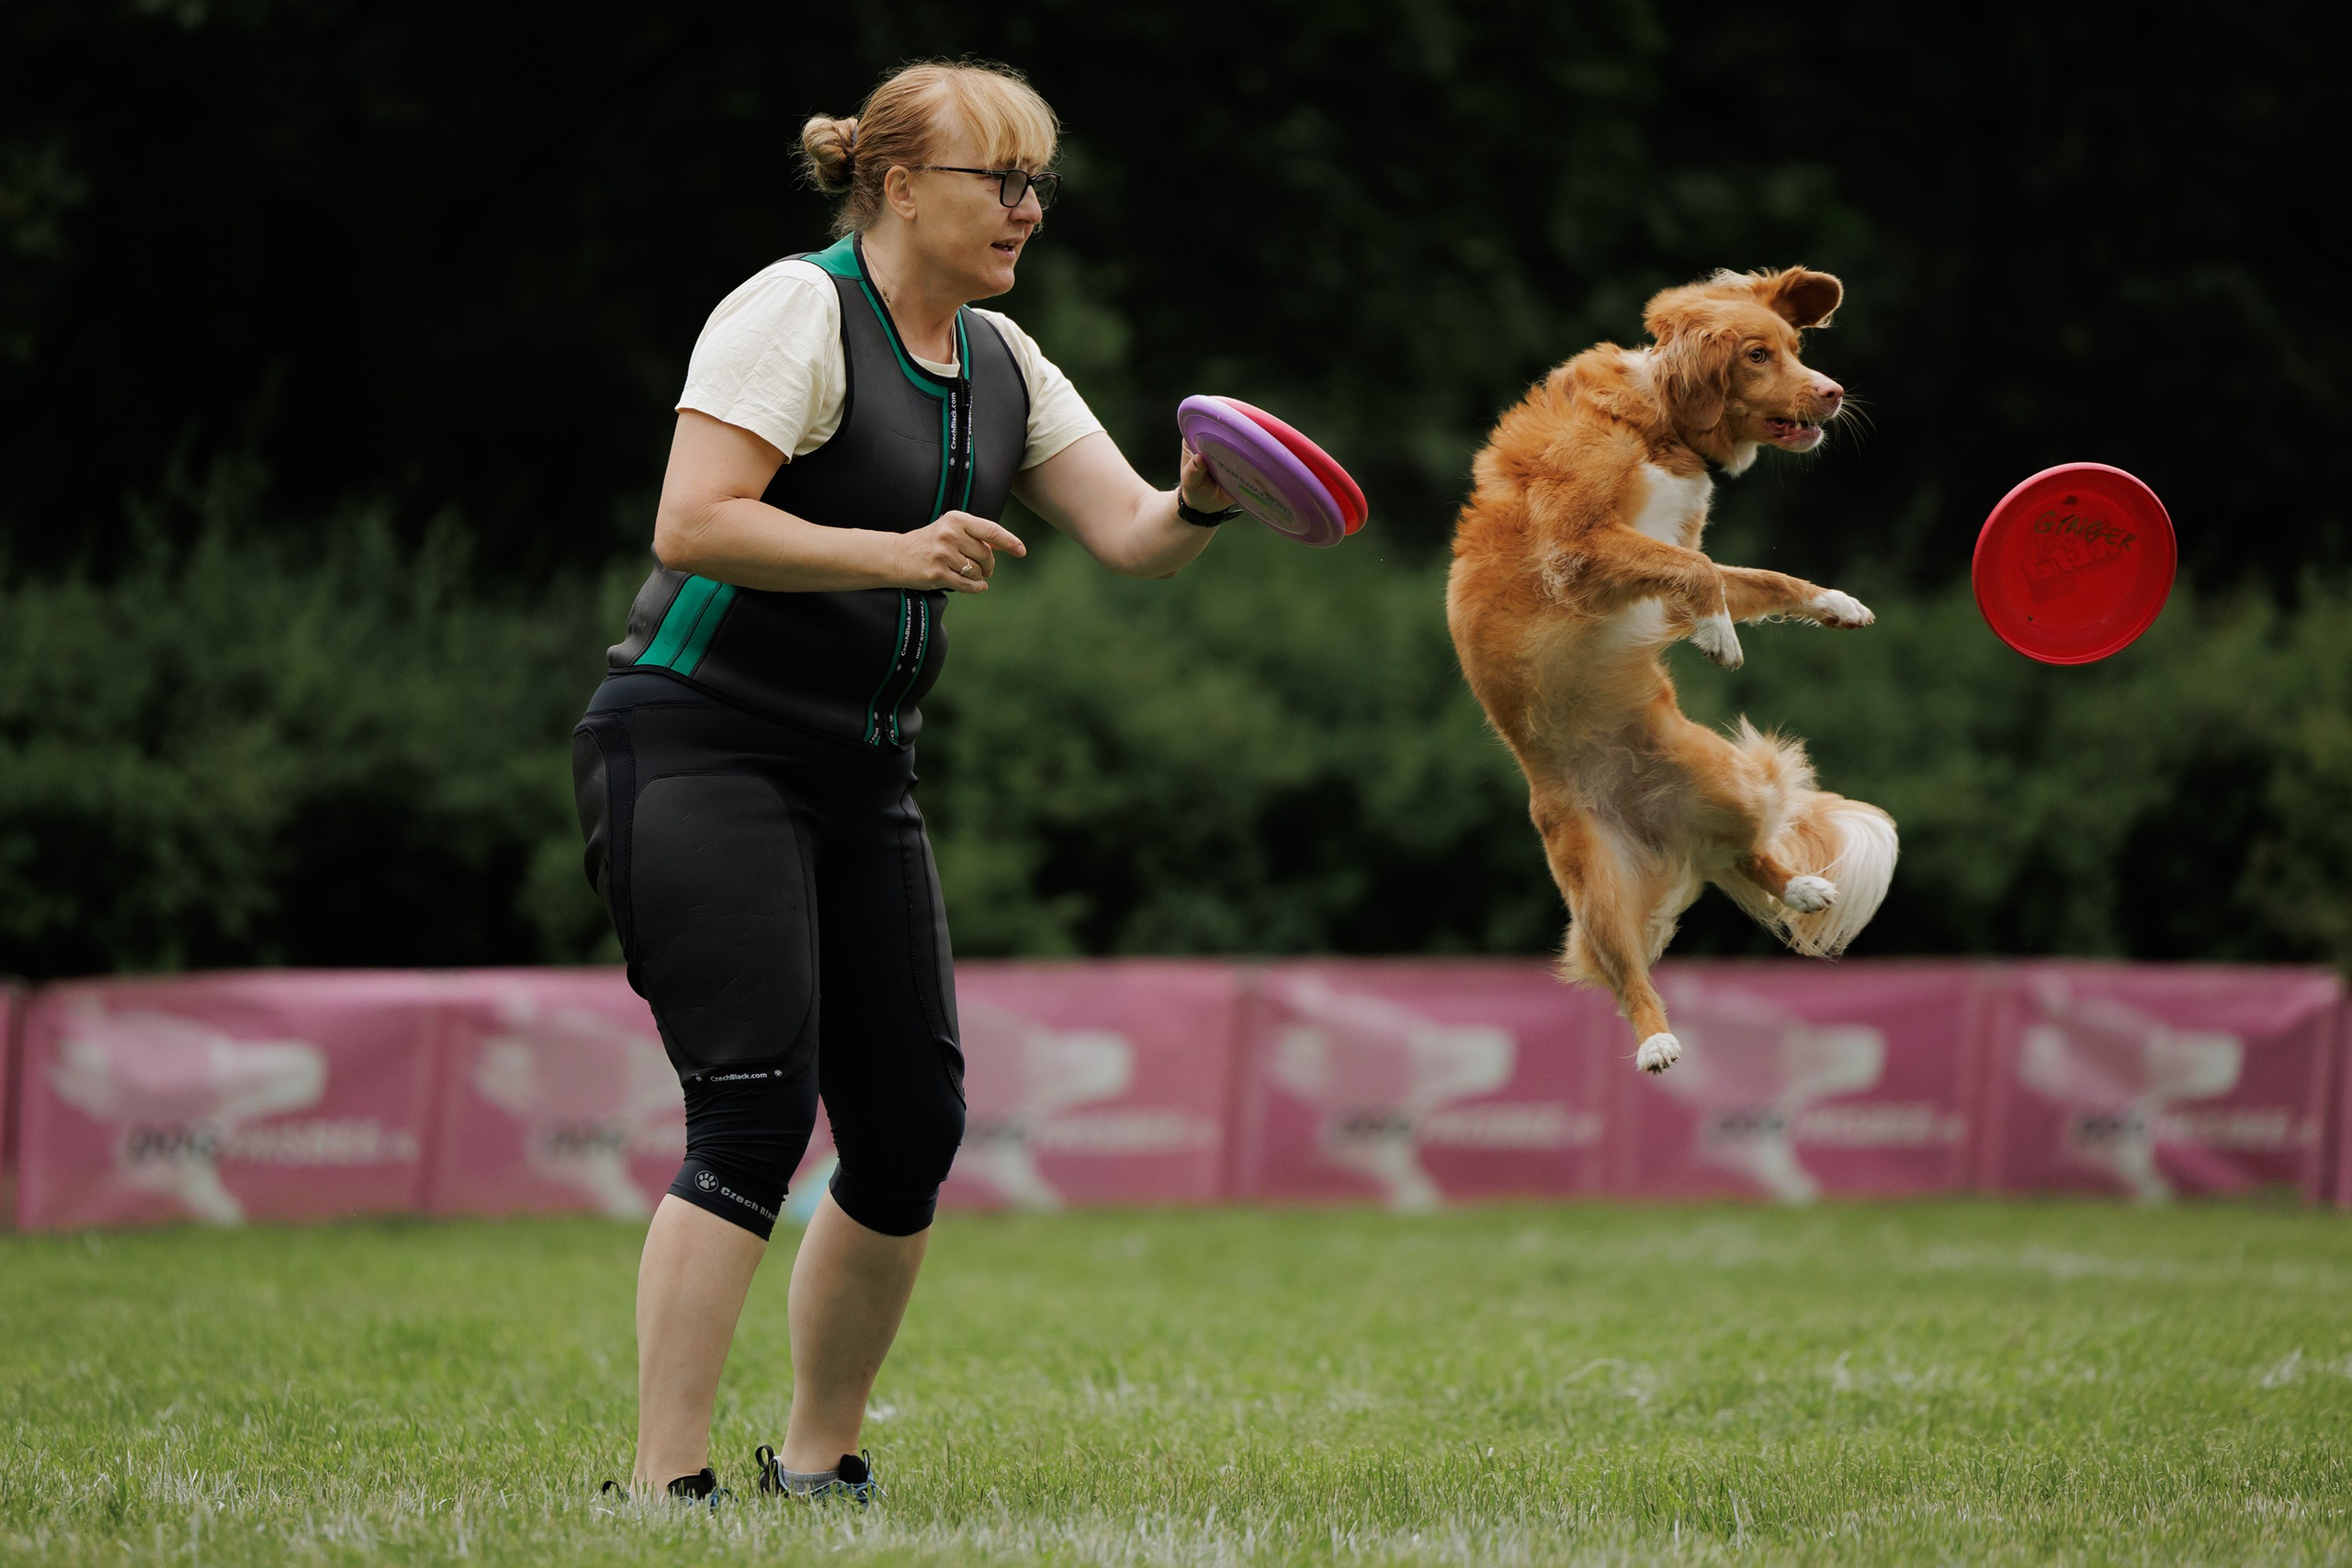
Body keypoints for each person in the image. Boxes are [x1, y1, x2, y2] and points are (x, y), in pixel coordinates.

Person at [571, 59, 1238, 1503]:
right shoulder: (793, 310)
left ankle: (818, 1468)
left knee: (912, 1128)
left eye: (1036, 184)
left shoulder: (1004, 358)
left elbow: (1128, 533)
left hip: (863, 771)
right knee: (751, 1110)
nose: (1026, 211)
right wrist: (899, 550)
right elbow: (693, 522)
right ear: (892, 187)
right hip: (696, 743)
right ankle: (661, 1487)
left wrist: (1200, 497)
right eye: (996, 182)